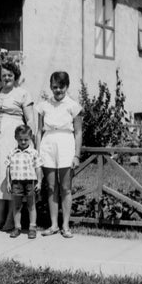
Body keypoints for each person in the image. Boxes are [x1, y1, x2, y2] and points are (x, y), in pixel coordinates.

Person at [0, 61, 35, 232]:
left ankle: (11, 218)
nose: (7, 78)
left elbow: (30, 120)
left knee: (10, 177)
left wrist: (30, 142)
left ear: (15, 76)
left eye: (10, 75)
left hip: (13, 139)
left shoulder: (23, 93)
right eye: (4, 75)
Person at [35, 71, 83, 238]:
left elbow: (78, 132)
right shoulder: (43, 106)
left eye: (61, 87)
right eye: (54, 87)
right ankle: (54, 224)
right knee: (50, 188)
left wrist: (77, 155)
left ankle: (65, 226)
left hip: (66, 145)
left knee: (65, 187)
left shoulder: (73, 106)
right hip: (48, 145)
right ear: (50, 87)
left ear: (67, 87)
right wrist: (38, 152)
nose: (58, 90)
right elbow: (39, 131)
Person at [5, 125, 43, 239]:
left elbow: (38, 168)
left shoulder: (33, 152)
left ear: (30, 138)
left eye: (26, 139)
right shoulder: (12, 152)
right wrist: (8, 182)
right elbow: (8, 167)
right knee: (16, 206)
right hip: (16, 182)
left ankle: (32, 228)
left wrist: (39, 182)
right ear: (16, 138)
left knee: (31, 205)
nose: (23, 141)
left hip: (30, 182)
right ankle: (17, 227)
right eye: (20, 139)